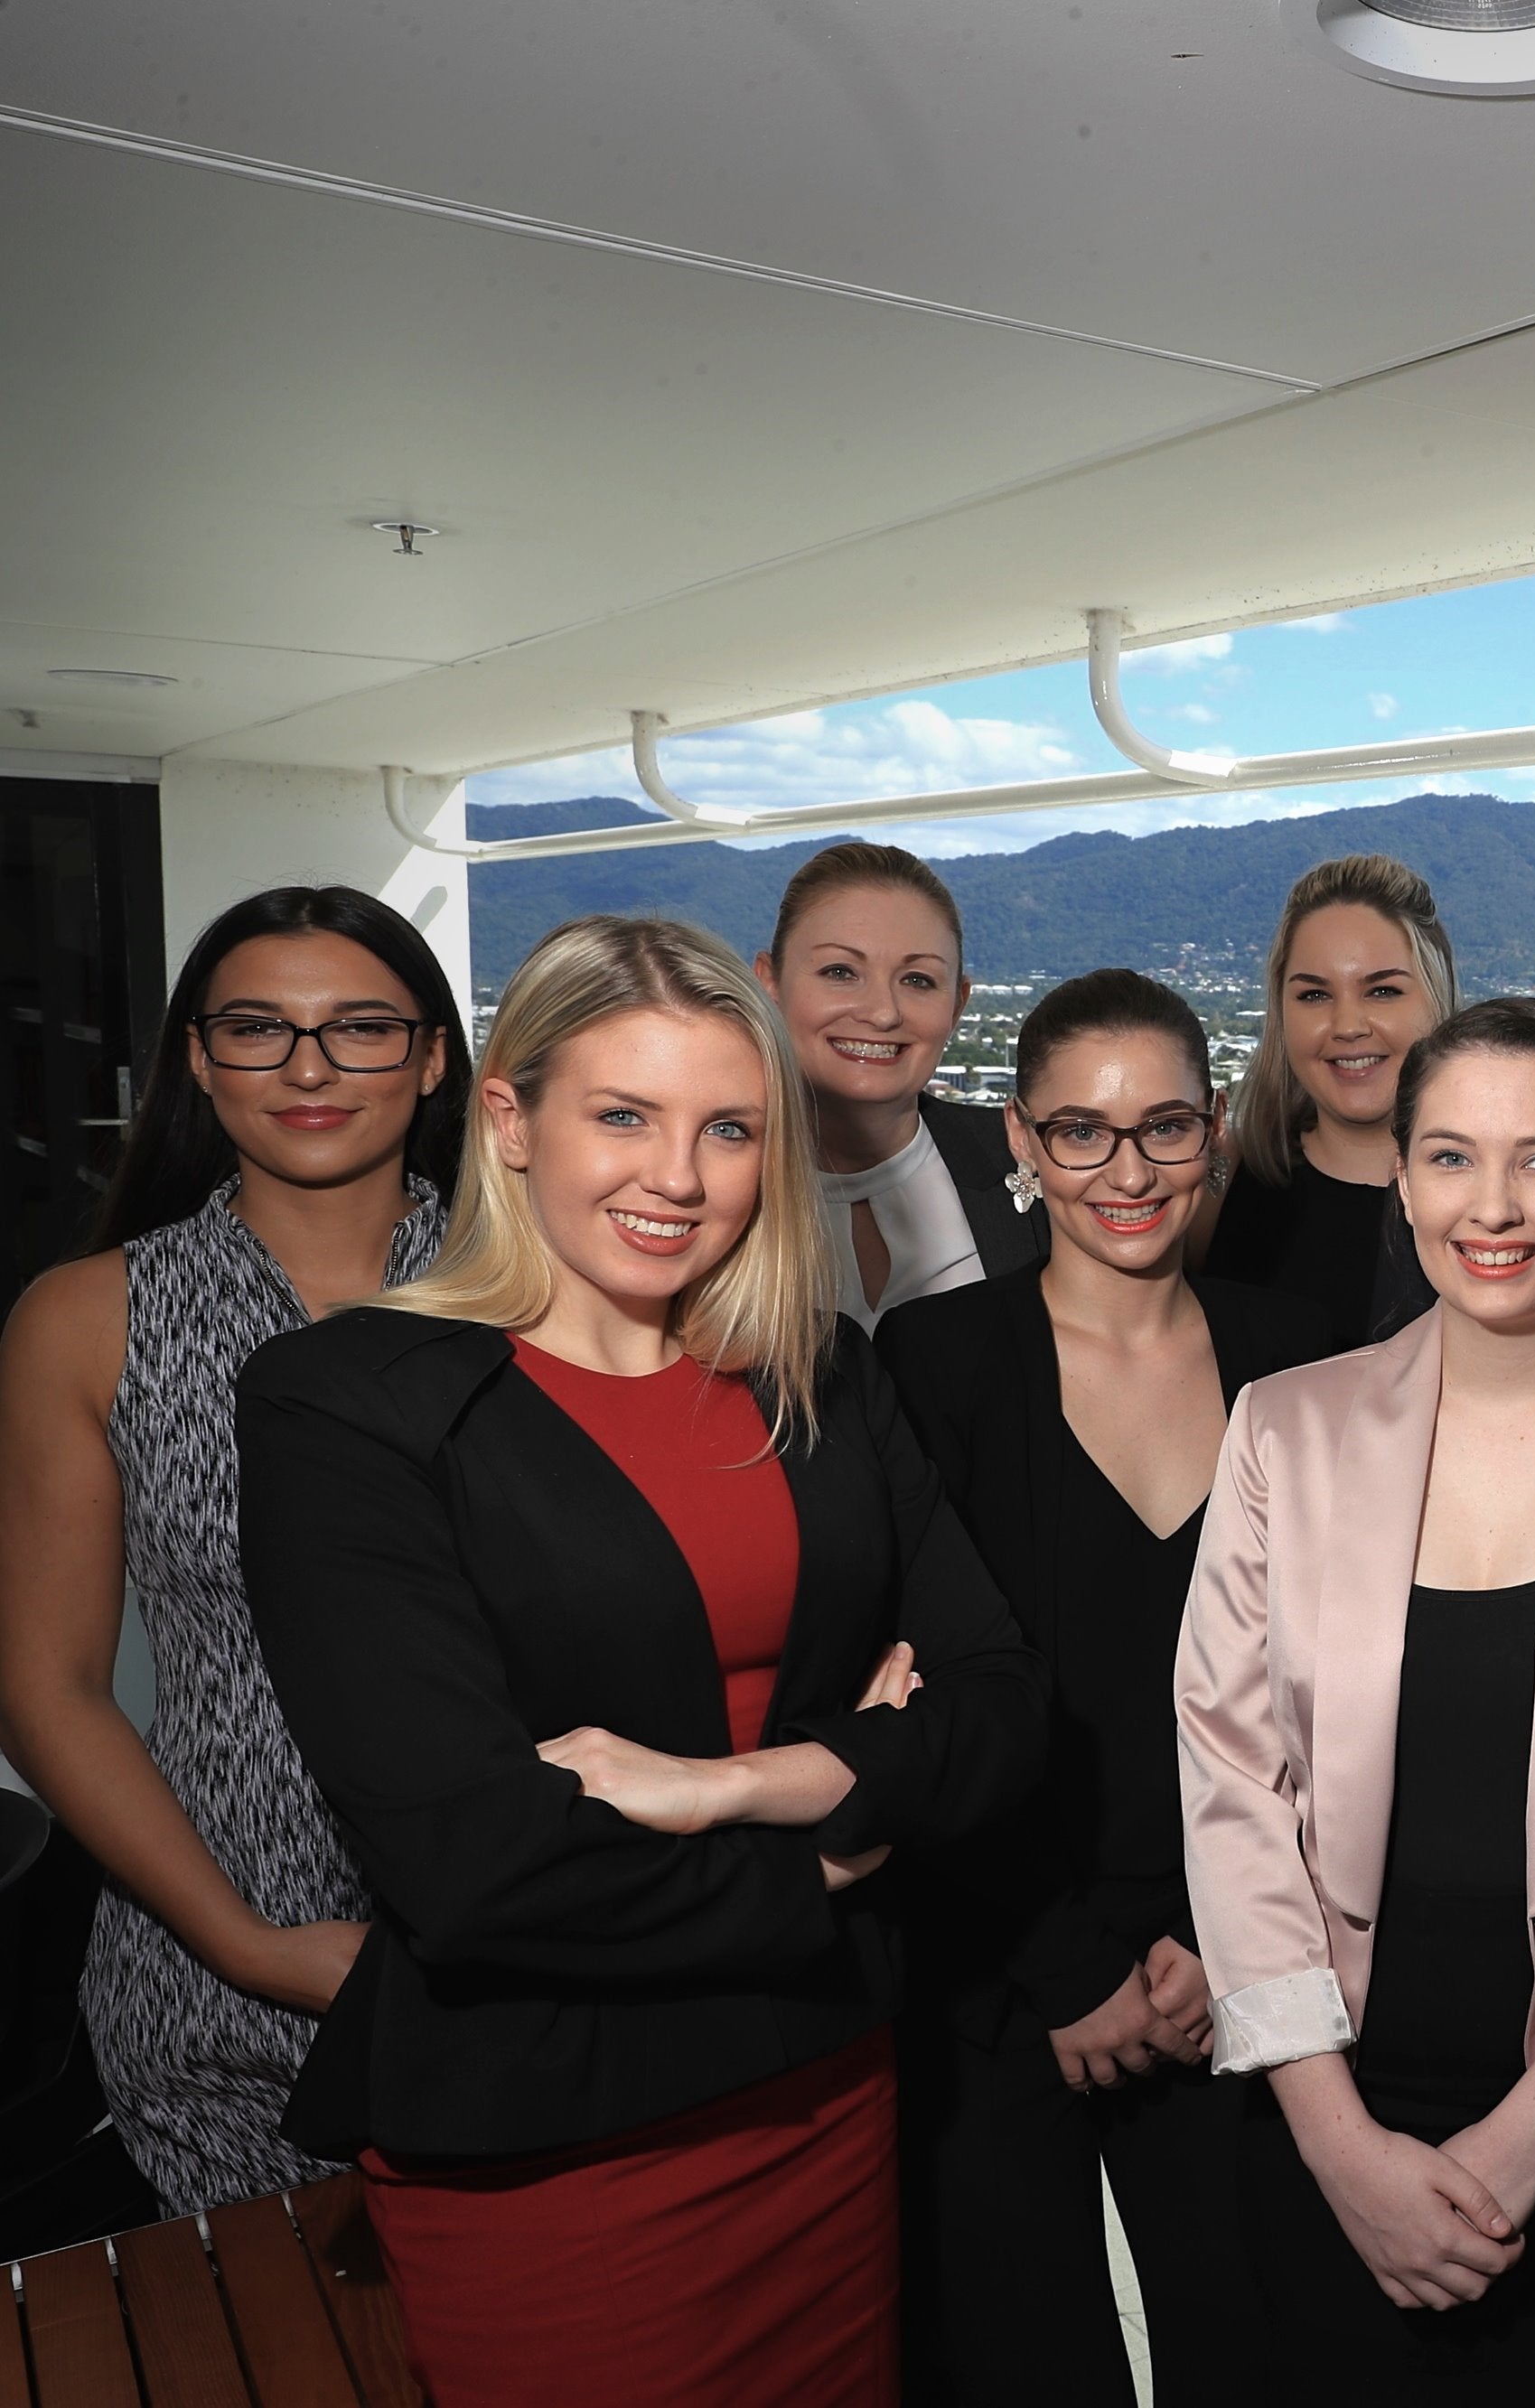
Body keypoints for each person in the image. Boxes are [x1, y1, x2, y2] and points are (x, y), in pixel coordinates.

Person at [233, 915, 1047, 2408]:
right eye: (622, 1115)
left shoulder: (821, 1372)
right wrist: (838, 1846)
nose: (678, 1177)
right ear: (510, 1119)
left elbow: (1004, 1713)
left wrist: (732, 1784)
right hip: (555, 2135)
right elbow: (474, 1864)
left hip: (831, 2087)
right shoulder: (345, 1404)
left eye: (728, 1128)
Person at [1179, 995, 1535, 2401]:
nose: (1494, 1204)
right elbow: (1231, 1781)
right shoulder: (1284, 1428)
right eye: (1451, 1156)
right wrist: (1336, 2140)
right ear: (1404, 1180)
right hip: (1322, 2096)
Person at [875, 970, 1326, 2404]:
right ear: (1021, 1139)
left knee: (1253, 2359)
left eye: (1164, 1127)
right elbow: (924, 1705)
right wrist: (1068, 1966)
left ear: (1215, 1128)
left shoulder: (1299, 1356)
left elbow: (1329, 1701)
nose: (1127, 1172)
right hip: (995, 1967)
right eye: (1081, 1130)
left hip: (1237, 1962)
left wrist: (1218, 1939)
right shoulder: (932, 1362)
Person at [0, 888, 466, 2218]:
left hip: (531, 1937)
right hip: (217, 1967)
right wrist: (248, 1943)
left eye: (360, 1026)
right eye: (259, 1028)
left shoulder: (545, 1289)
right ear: (200, 1061)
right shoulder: (90, 1317)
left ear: (433, 1057)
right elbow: (47, 1686)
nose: (309, 1067)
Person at [755, 842, 1044, 1330]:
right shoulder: (706, 1178)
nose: (883, 1013)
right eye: (840, 972)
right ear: (770, 985)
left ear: (958, 1004)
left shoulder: (1034, 1159)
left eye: (917, 980)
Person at [1198, 854, 1451, 1355]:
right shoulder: (1222, 1178)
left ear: (1436, 997)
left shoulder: (1497, 1197)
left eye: (1382, 990)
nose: (1348, 1026)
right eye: (1314, 995)